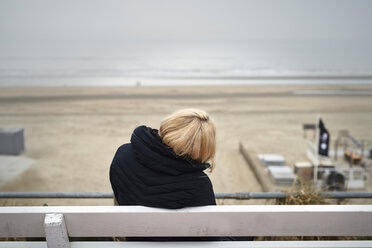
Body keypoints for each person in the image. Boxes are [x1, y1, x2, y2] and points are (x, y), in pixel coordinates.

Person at [109, 109, 218, 240]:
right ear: (203, 147)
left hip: (133, 241)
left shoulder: (123, 155)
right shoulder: (199, 185)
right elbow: (209, 235)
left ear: (169, 126)